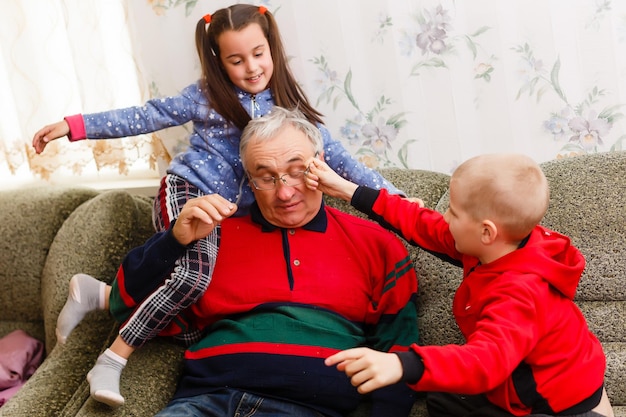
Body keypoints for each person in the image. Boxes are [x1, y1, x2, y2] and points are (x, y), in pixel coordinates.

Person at [33, 4, 403, 407]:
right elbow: (146, 115)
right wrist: (75, 126)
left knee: (193, 315)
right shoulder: (205, 98)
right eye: (236, 59)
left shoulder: (293, 116)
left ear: (272, 48)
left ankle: (101, 296)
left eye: (259, 53)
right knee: (193, 277)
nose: (252, 68)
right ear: (218, 61)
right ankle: (112, 358)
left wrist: (395, 199)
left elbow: (345, 162)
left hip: (223, 210)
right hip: (189, 191)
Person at [110, 106, 418, 416]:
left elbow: (398, 354)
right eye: (266, 178)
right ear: (249, 179)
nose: (284, 193)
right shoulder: (212, 238)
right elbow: (124, 305)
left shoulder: (377, 244)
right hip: (205, 404)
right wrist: (174, 240)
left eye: (297, 171)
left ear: (320, 165)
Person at [305, 153, 615, 417]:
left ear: (486, 232)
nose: (443, 215)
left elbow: (485, 362)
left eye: (452, 211)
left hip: (556, 401)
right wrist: (348, 190)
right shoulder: (496, 246)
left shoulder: (520, 293)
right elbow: (419, 222)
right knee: (442, 399)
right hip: (517, 375)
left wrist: (402, 364)